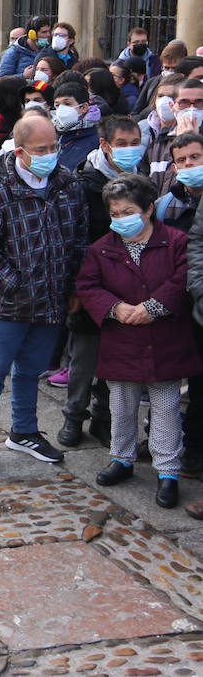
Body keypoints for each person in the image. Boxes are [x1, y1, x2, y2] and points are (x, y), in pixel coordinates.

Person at [0, 113, 87, 475]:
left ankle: (25, 431)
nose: (50, 154)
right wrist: (13, 284)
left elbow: (79, 239)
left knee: (30, 370)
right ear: (20, 152)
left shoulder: (67, 184)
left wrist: (74, 284)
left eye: (54, 147)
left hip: (52, 298)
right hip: (8, 302)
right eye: (41, 149)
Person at [77, 172, 197, 509]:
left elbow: (182, 279)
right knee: (121, 404)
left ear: (147, 210)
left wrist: (154, 307)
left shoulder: (175, 241)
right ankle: (122, 459)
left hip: (165, 339)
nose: (121, 220)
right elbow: (88, 286)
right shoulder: (101, 249)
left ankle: (168, 471)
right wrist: (116, 309)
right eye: (115, 214)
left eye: (128, 212)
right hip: (122, 338)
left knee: (166, 408)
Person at [57, 114, 142, 447]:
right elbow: (73, 237)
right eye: (121, 144)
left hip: (128, 285)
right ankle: (74, 417)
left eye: (135, 143)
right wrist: (76, 285)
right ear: (105, 145)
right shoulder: (84, 184)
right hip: (91, 284)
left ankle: (104, 418)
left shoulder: (140, 184)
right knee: (84, 357)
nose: (129, 150)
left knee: (116, 359)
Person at [51, 81, 99, 171]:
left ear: (83, 107)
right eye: (57, 105)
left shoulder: (97, 137)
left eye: (67, 104)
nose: (61, 109)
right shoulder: (52, 133)